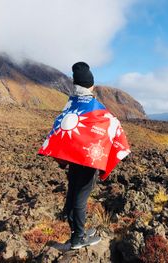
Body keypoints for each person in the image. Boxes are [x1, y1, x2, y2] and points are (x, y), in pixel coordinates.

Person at [57, 62, 101, 250]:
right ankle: (78, 238)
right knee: (80, 198)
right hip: (88, 161)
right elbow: (108, 129)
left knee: (74, 193)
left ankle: (76, 230)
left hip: (74, 159)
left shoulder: (70, 104)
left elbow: (62, 127)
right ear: (90, 84)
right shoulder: (95, 107)